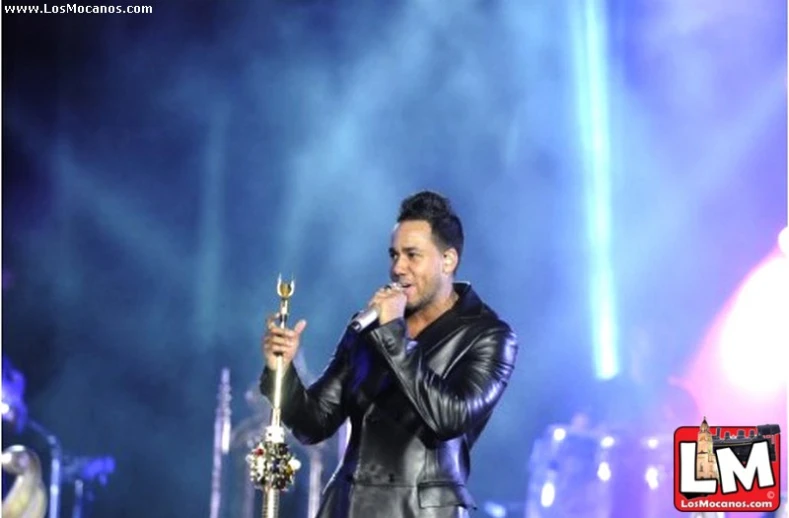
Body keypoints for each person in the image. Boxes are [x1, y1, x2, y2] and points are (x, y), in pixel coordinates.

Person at [259, 190, 518, 518]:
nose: (398, 268)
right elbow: (315, 423)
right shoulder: (370, 328)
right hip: (347, 506)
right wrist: (283, 370)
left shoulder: (488, 335)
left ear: (448, 260)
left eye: (412, 255)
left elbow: (449, 417)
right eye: (394, 255)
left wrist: (394, 332)